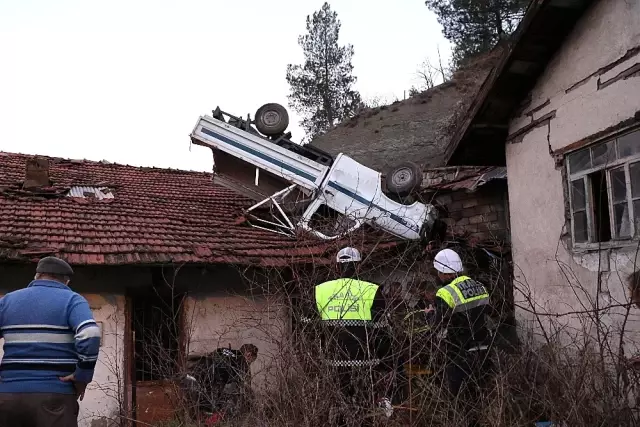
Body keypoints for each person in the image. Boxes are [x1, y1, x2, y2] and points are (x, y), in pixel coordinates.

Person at [0, 256, 101, 427]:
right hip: (54, 397)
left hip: (8, 397)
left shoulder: (7, 301)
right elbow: (90, 333)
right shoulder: (72, 300)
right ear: (66, 281)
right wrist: (82, 375)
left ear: (37, 276)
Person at [314, 247, 392, 417]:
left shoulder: (320, 290)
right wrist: (386, 362)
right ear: (359, 266)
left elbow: (310, 330)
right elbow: (382, 332)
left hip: (332, 362)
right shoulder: (371, 290)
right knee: (364, 408)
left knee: (336, 407)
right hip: (364, 363)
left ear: (336, 267)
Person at [427, 248, 492, 426]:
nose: (438, 276)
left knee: (459, 402)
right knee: (479, 397)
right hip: (484, 349)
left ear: (444, 272)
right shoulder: (480, 286)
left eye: (438, 272)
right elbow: (488, 313)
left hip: (459, 353)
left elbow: (436, 323)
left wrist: (428, 314)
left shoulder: (446, 292)